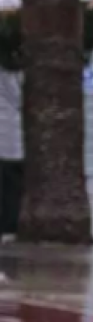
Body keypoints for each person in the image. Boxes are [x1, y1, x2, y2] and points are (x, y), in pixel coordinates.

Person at [0, 66, 22, 244]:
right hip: (10, 136)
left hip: (9, 136)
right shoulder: (9, 72)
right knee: (11, 184)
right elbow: (18, 97)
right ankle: (9, 225)